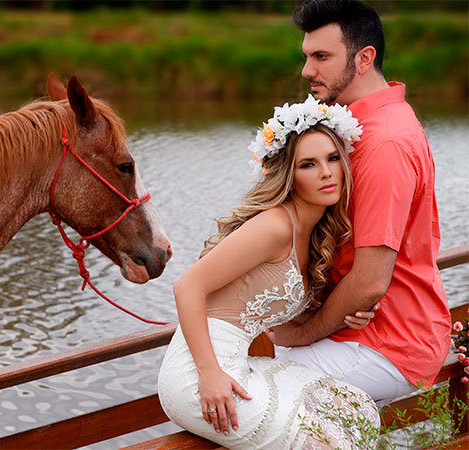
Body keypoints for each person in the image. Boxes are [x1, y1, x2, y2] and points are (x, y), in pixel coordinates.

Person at [157, 96, 379, 449]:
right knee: (327, 443)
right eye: (309, 164)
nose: (326, 172)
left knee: (358, 411)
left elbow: (275, 326)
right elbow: (188, 287)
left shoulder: (317, 232)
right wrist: (210, 373)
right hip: (198, 375)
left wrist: (349, 315)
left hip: (240, 362)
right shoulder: (275, 225)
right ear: (289, 175)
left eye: (333, 158)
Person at [266, 0, 450, 405]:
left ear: (364, 58)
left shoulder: (383, 143)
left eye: (321, 57)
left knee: (252, 397)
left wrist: (304, 332)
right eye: (306, 56)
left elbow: (368, 282)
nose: (306, 71)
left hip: (389, 342)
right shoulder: (361, 124)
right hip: (363, 325)